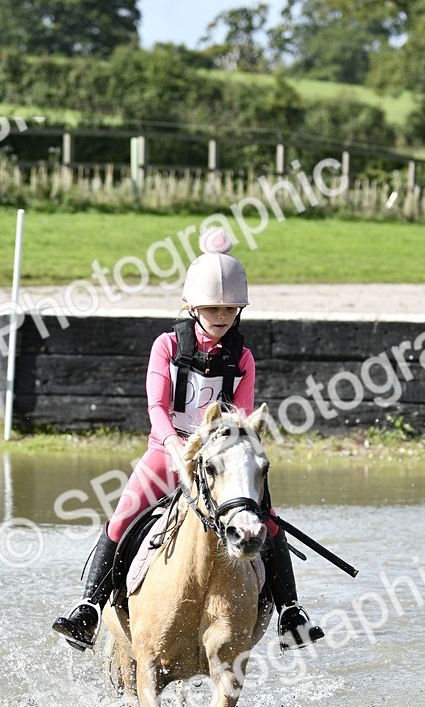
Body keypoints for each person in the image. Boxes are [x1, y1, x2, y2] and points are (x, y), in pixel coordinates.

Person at [52, 227, 325, 652]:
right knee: (124, 516)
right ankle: (88, 607)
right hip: (168, 450)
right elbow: (157, 410)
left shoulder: (243, 358)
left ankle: (290, 612)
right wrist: (177, 448)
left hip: (221, 458)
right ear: (193, 306)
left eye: (231, 309)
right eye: (213, 307)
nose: (222, 316)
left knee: (266, 521)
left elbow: (239, 420)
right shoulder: (166, 347)